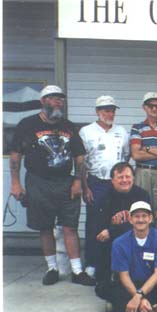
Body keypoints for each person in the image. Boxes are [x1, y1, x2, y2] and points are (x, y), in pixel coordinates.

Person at [9, 85, 95, 286]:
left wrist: (77, 181)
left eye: (61, 99)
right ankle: (52, 268)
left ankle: (77, 271)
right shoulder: (27, 124)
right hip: (38, 182)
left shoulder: (68, 126)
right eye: (54, 98)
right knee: (45, 226)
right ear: (43, 101)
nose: (59, 102)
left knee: (70, 226)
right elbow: (15, 156)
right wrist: (15, 183)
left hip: (65, 181)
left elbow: (79, 157)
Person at [79, 95, 129, 279]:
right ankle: (92, 264)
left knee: (116, 222)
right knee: (94, 224)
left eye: (112, 110)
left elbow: (125, 157)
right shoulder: (86, 132)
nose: (110, 113)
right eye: (106, 110)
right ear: (97, 112)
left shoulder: (122, 132)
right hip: (96, 183)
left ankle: (113, 264)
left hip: (116, 184)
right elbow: (82, 162)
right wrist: (85, 187)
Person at [95, 201, 157, 312]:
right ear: (130, 220)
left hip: (153, 283)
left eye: (144, 216)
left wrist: (139, 295)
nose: (140, 220)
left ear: (150, 218)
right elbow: (123, 275)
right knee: (102, 288)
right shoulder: (119, 243)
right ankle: (152, 306)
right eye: (136, 216)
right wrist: (138, 298)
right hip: (131, 283)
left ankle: (120, 306)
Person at [93, 162, 150, 283]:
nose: (124, 180)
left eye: (128, 177)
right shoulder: (103, 197)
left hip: (136, 237)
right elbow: (99, 227)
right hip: (112, 241)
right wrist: (112, 232)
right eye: (120, 177)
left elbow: (145, 223)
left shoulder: (142, 195)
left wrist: (113, 231)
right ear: (112, 180)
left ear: (133, 178)